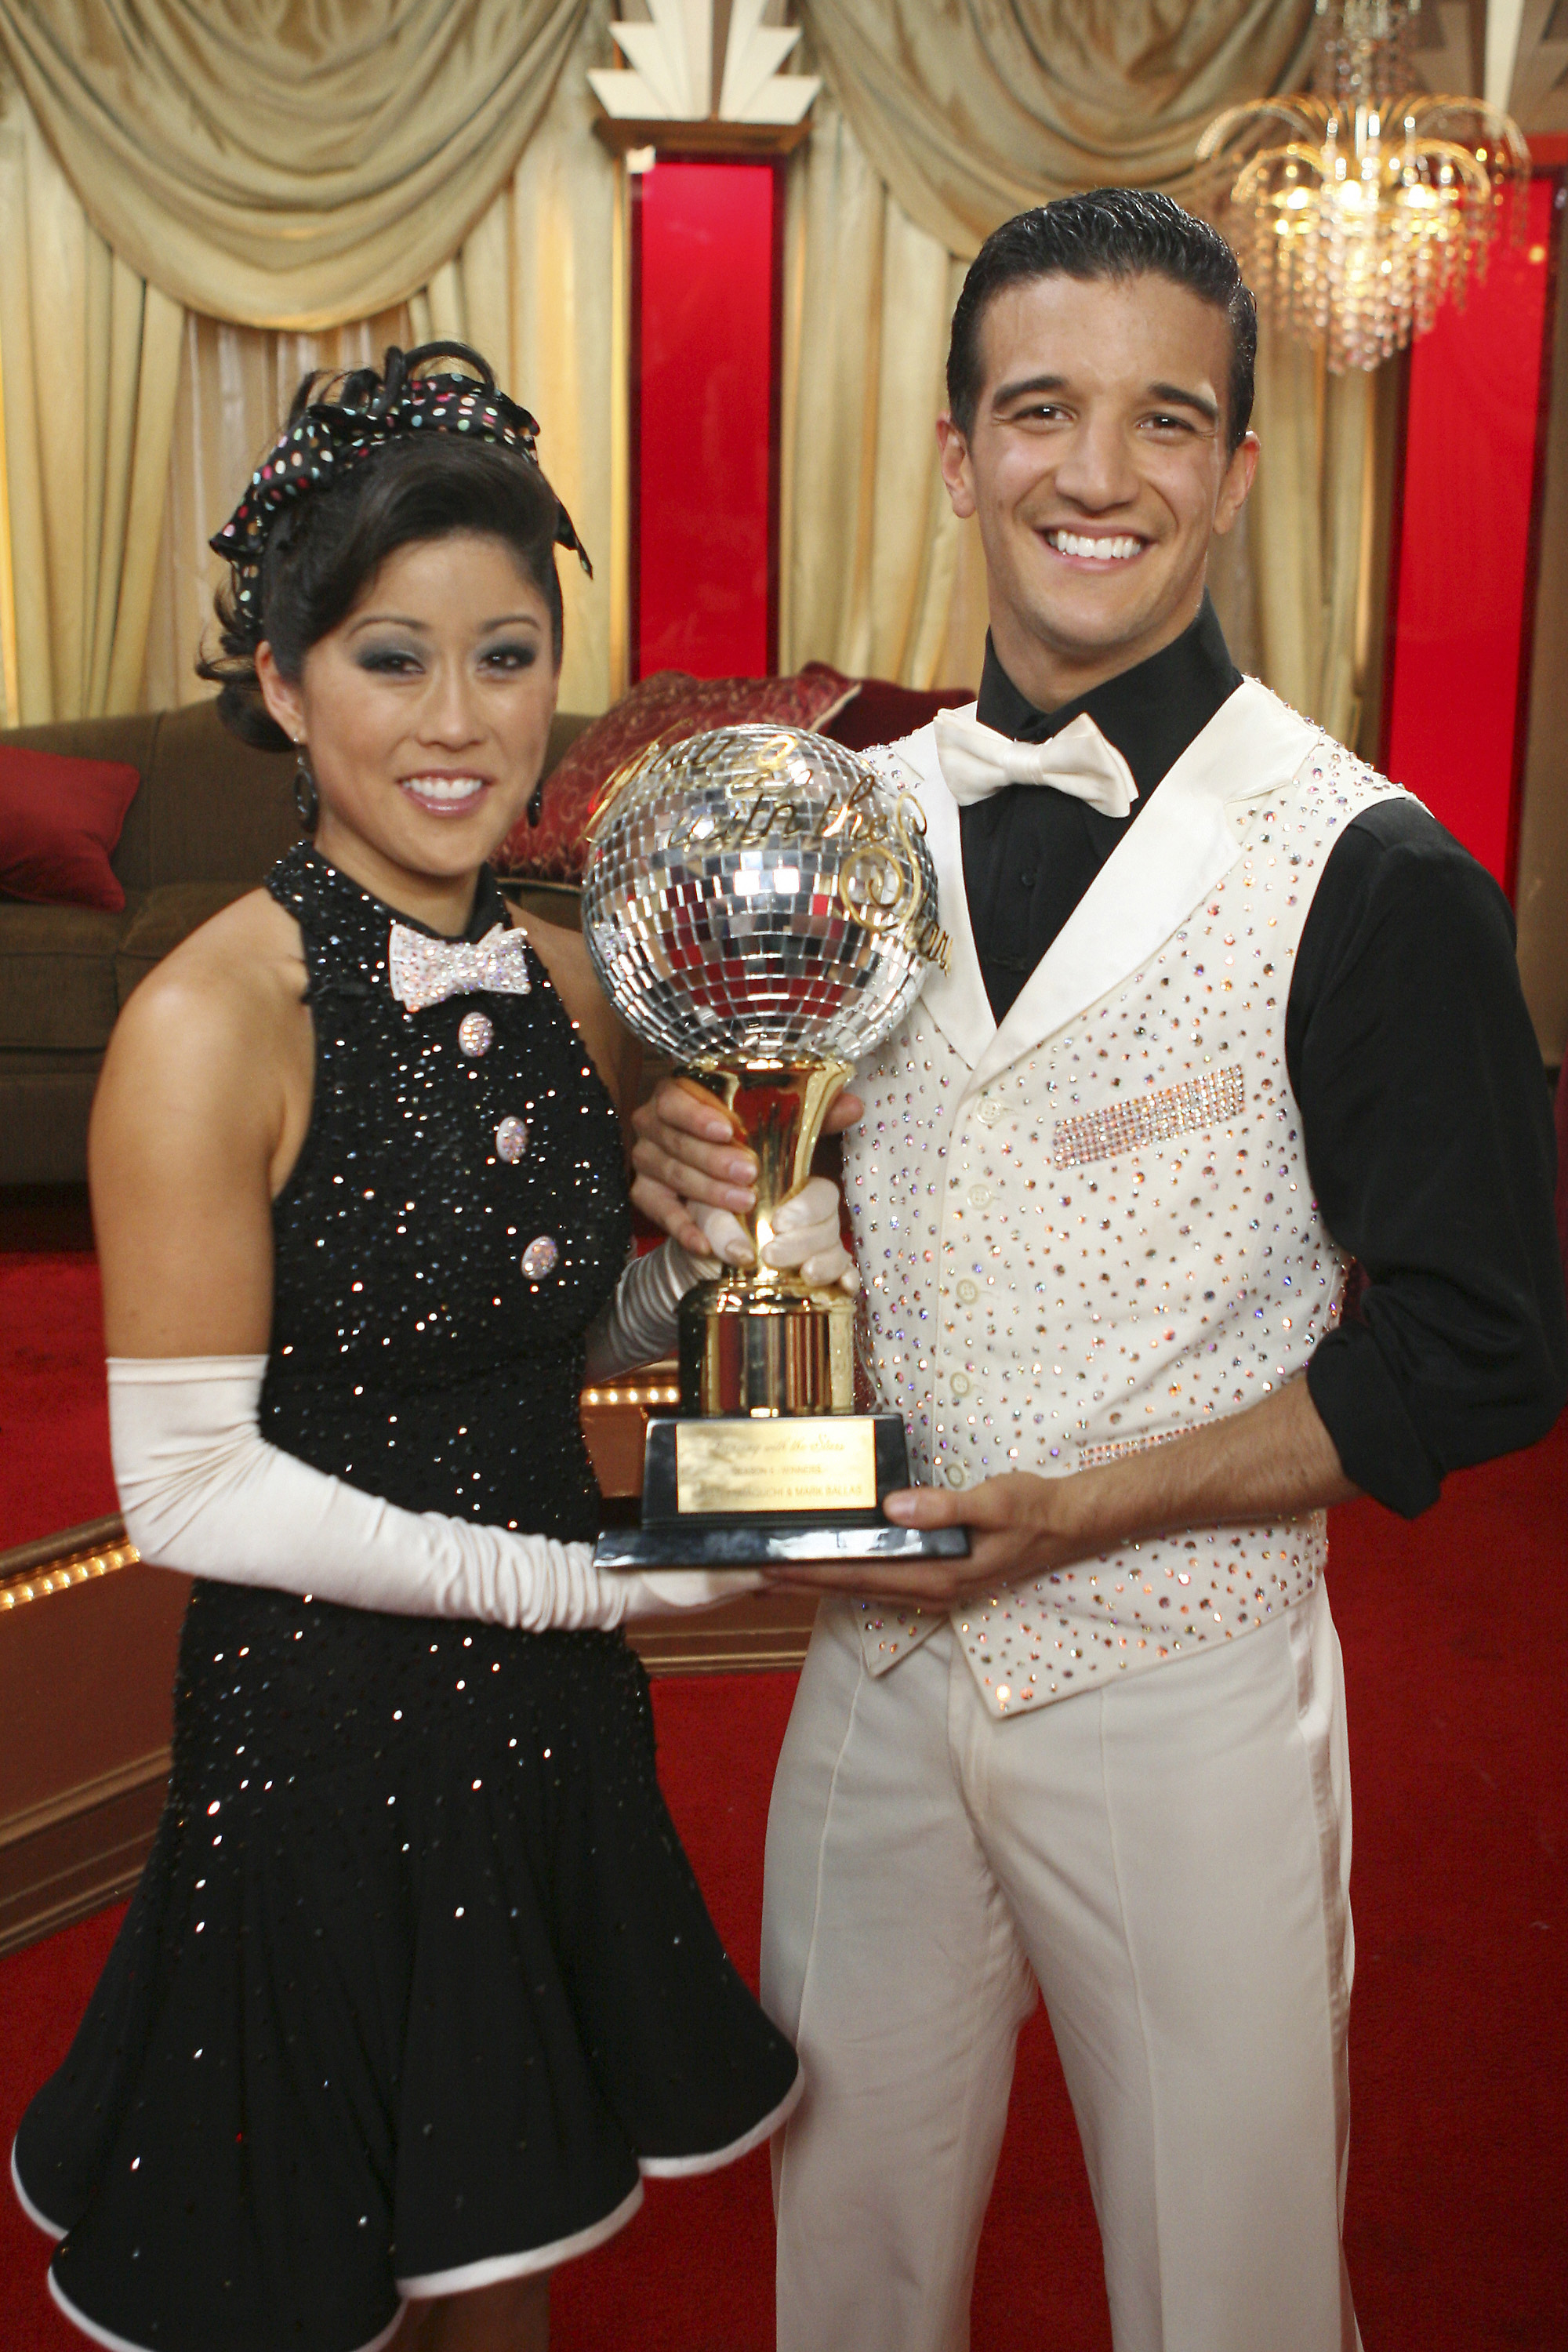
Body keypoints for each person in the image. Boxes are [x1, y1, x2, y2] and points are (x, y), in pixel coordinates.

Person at [632, 192, 1568, 2352]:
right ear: (956, 453)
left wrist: (1090, 1510)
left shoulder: (1376, 871)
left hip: (1180, 1692)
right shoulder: (831, 824)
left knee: (1223, 2295)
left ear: (1240, 469)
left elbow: (1483, 1358)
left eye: (1168, 420)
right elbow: (753, 1233)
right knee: (840, 2269)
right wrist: (685, 1178)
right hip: (867, 1677)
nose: (1098, 471)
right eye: (1040, 410)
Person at [9, 344, 855, 2352]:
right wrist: (572, 1582)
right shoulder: (212, 1022)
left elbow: (542, 1337)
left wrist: (723, 1245)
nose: (459, 722)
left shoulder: (571, 971)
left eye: (506, 655)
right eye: (393, 660)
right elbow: (187, 1486)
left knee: (508, 2248)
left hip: (544, 1726)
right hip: (325, 1735)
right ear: (286, 690)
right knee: (316, 2284)